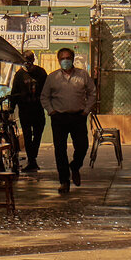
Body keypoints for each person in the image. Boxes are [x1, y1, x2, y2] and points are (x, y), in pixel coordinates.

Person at [40, 46, 96, 195]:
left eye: (67, 58)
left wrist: (86, 110)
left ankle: (75, 166)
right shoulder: (52, 77)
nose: (65, 61)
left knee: (82, 146)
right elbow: (44, 96)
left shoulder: (83, 75)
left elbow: (92, 93)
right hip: (59, 117)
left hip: (78, 116)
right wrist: (51, 111)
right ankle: (64, 181)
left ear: (72, 59)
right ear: (59, 60)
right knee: (60, 150)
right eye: (62, 58)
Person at [7, 51, 48, 174]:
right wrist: (11, 107)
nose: (27, 65)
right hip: (25, 110)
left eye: (29, 61)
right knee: (27, 135)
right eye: (25, 62)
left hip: (38, 109)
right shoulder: (19, 75)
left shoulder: (41, 73)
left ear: (33, 60)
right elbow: (14, 92)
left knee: (38, 133)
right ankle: (31, 159)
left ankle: (33, 156)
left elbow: (47, 89)